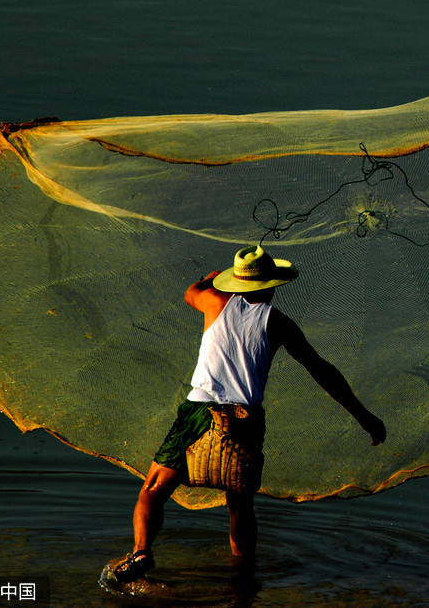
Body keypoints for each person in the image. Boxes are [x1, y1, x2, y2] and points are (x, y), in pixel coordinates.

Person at [111, 245, 386, 582]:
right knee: (240, 506)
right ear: (272, 286)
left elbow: (190, 293)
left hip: (199, 412)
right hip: (245, 420)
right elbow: (322, 371)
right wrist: (364, 417)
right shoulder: (280, 323)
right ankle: (242, 577)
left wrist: (208, 279)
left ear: (235, 283)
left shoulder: (214, 302)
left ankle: (141, 552)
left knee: (152, 490)